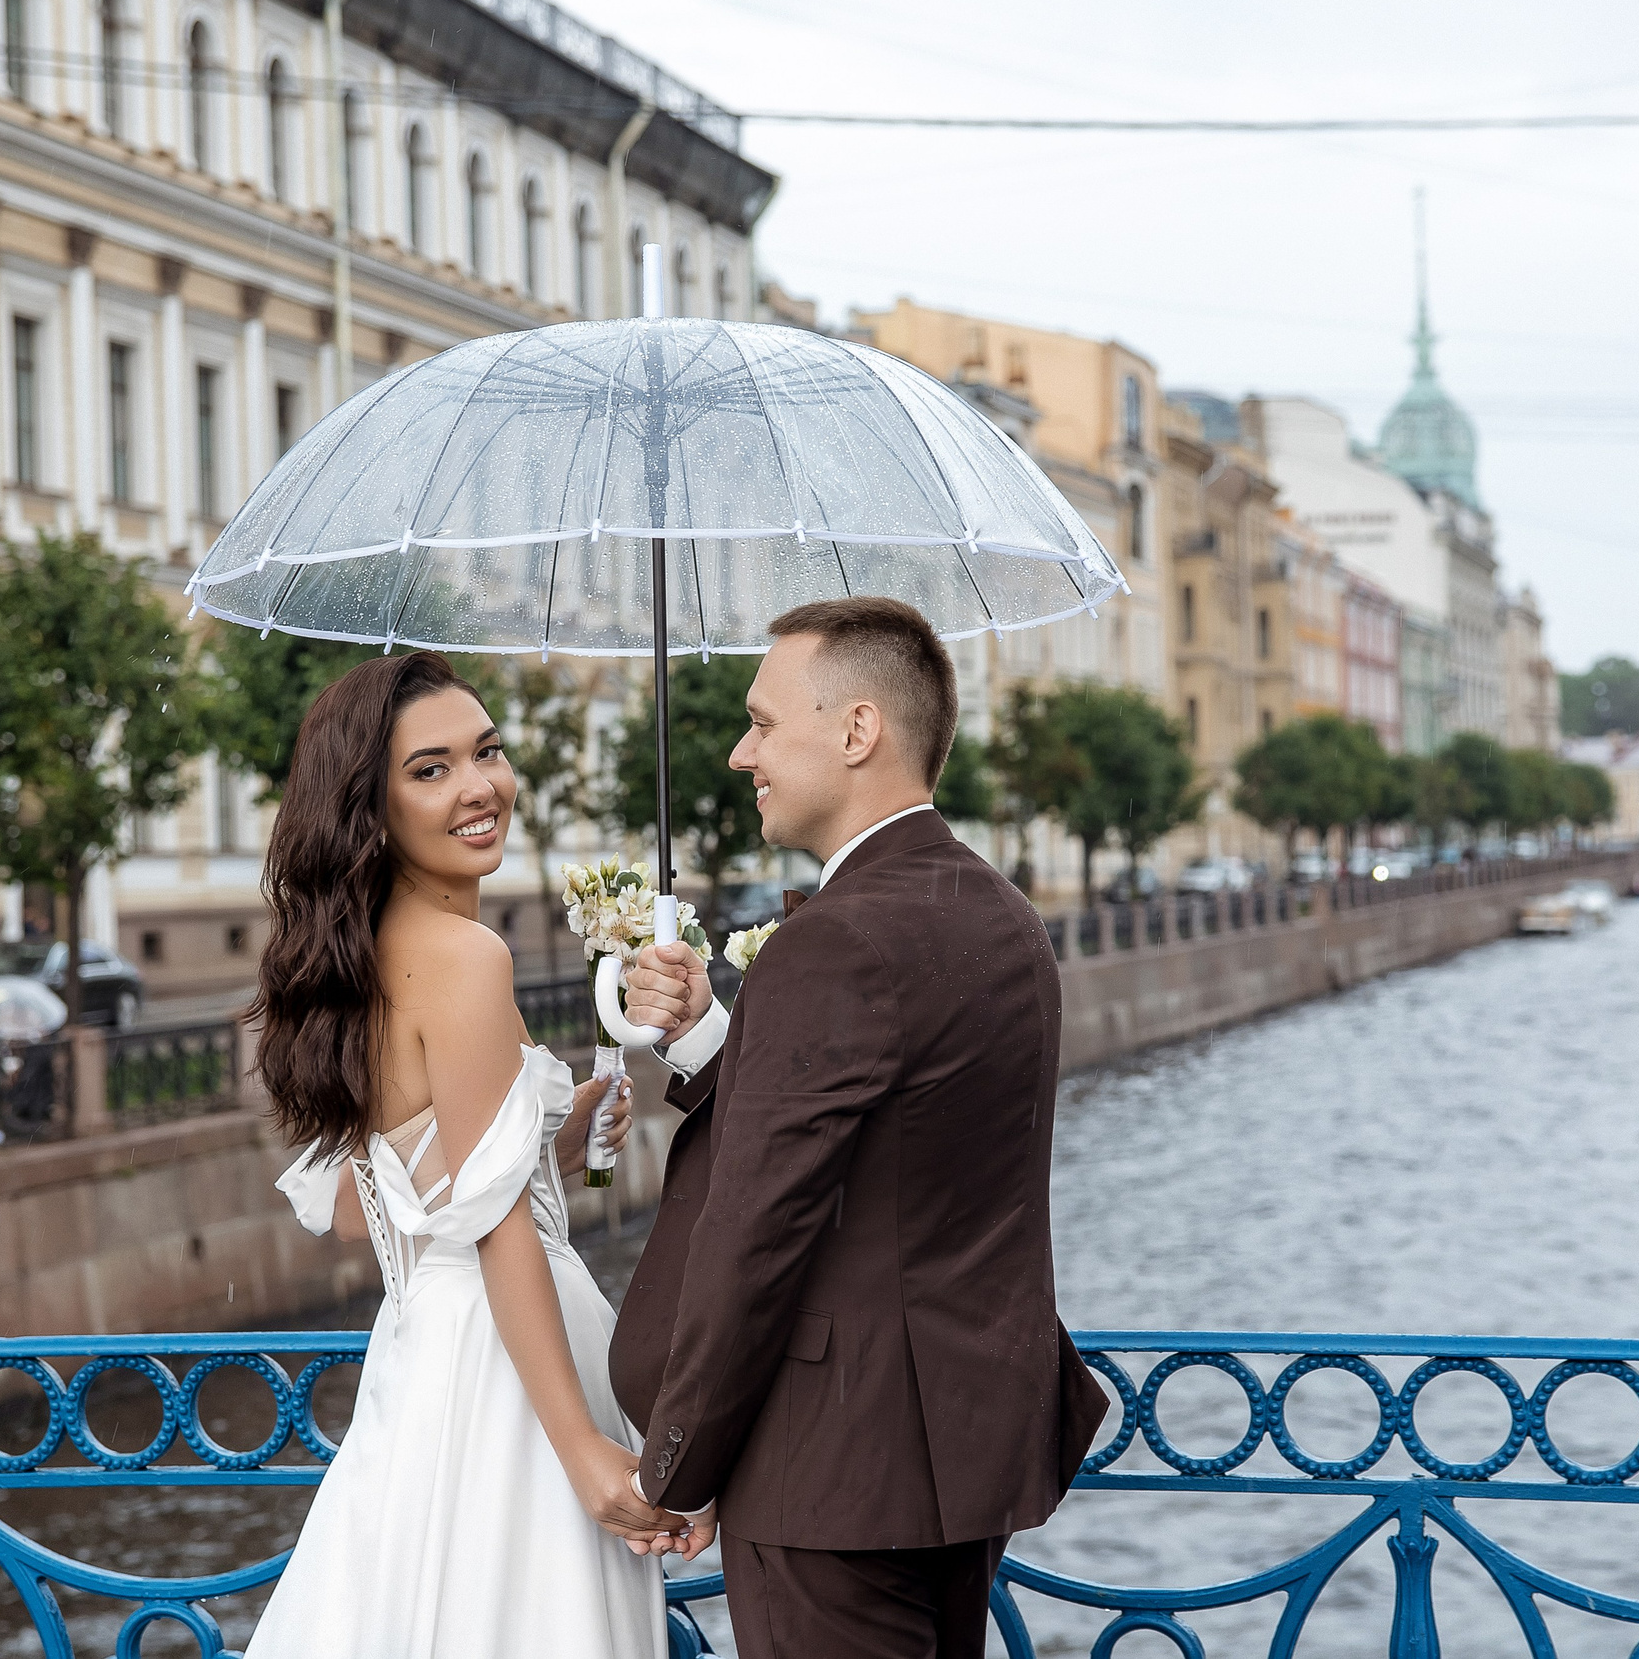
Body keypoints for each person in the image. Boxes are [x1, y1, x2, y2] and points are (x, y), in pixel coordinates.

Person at [610, 596, 1109, 1659]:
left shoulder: (832, 941)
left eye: (762, 720)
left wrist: (678, 1465)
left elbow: (756, 1231)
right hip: (960, 1447)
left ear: (856, 730)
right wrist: (709, 1035)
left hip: (828, 1465)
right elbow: (893, 1141)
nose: (743, 750)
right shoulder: (1001, 916)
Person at [245, 651, 677, 1659]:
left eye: (486, 751)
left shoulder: (369, 951)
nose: (480, 785)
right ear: (371, 804)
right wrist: (581, 1453)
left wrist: (553, 1145)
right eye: (430, 768)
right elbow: (492, 1225)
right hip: (504, 1377)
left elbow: (383, 1204)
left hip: (428, 1351)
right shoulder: (465, 958)